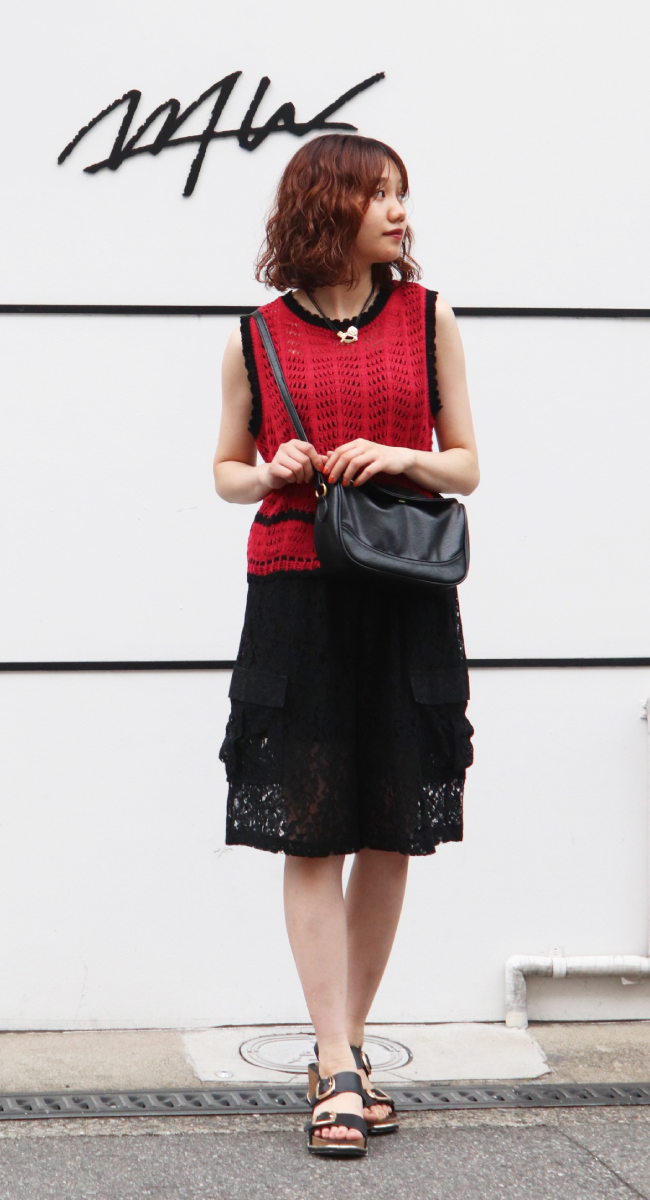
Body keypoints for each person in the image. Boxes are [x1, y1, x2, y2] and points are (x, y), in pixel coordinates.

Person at [213, 133, 479, 1158]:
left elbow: (466, 464)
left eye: (402, 194)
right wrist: (272, 467)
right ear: (328, 208)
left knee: (390, 826)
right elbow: (225, 473)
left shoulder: (428, 317)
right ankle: (334, 1064)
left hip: (403, 594)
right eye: (380, 194)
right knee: (312, 829)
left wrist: (399, 453)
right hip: (297, 592)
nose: (400, 212)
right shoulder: (255, 337)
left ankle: (349, 1052)